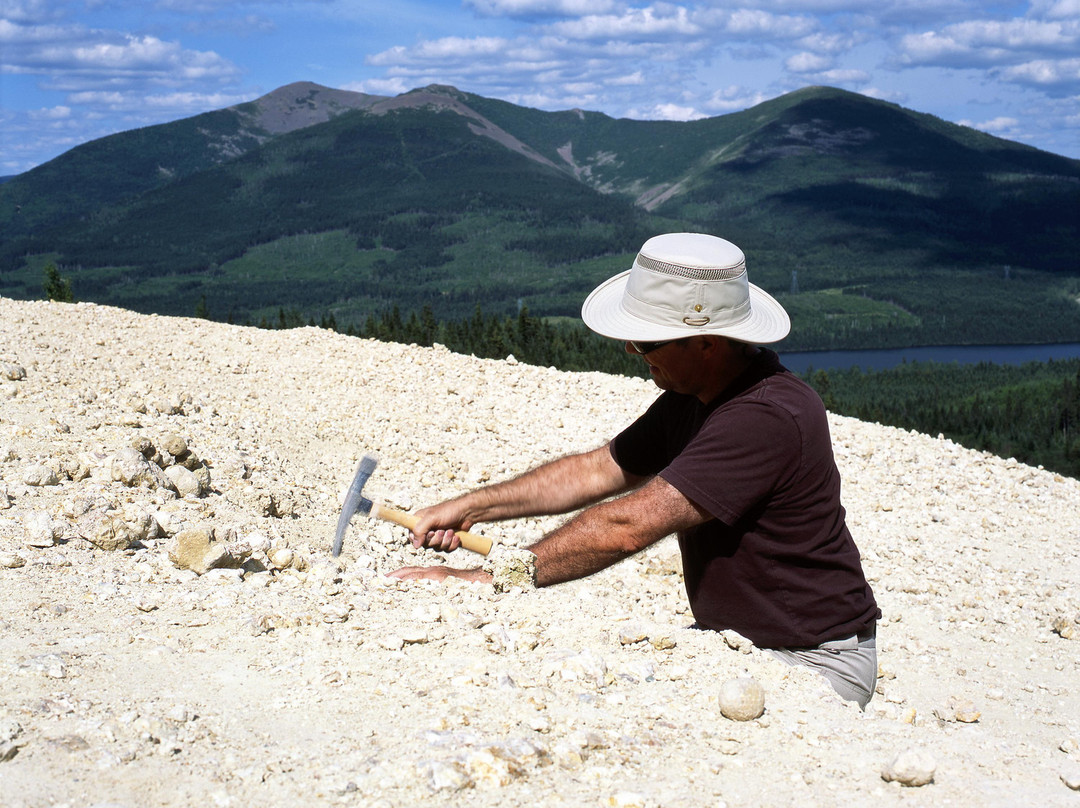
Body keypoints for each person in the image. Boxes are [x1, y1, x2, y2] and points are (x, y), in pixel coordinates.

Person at [389, 232, 880, 708]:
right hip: (750, 645)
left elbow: (627, 527)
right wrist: (472, 507)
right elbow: (596, 470)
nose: (630, 350)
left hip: (813, 660)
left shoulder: (764, 416)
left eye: (646, 340)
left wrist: (490, 578)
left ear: (706, 342)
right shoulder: (698, 397)